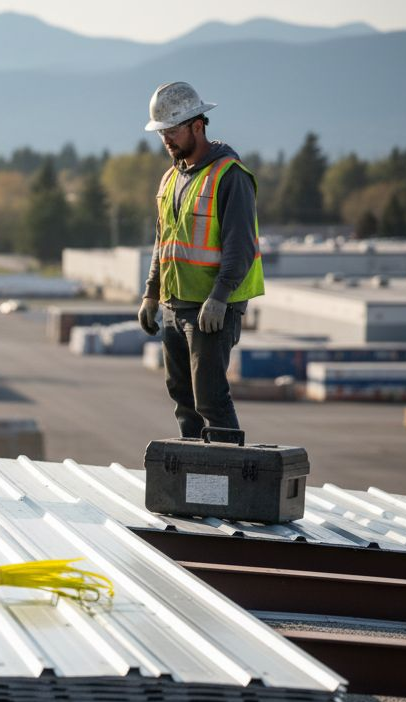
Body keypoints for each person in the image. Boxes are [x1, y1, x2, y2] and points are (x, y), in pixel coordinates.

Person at [137, 82, 264, 439]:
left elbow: (241, 247)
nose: (166, 141)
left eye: (172, 131)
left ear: (197, 125)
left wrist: (220, 297)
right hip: (174, 305)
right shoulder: (171, 178)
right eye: (162, 133)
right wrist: (151, 293)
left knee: (210, 399)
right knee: (183, 398)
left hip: (212, 309)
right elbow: (164, 242)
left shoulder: (230, 176)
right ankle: (192, 471)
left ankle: (227, 479)